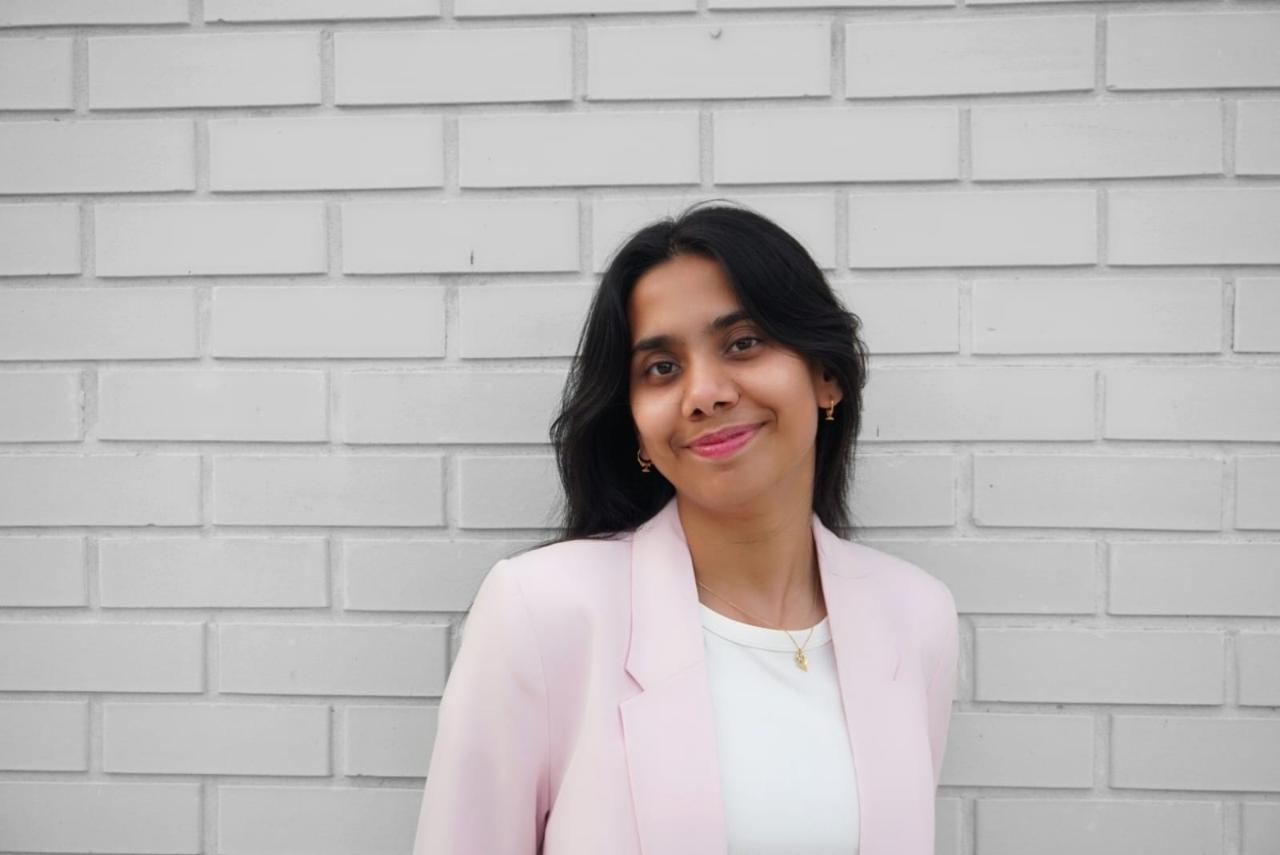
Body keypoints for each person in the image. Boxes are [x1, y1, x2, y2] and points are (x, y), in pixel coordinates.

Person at [412, 201, 959, 855]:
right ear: (637, 429)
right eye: (661, 368)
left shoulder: (916, 616)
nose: (705, 392)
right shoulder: (543, 610)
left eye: (744, 342)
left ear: (827, 376)